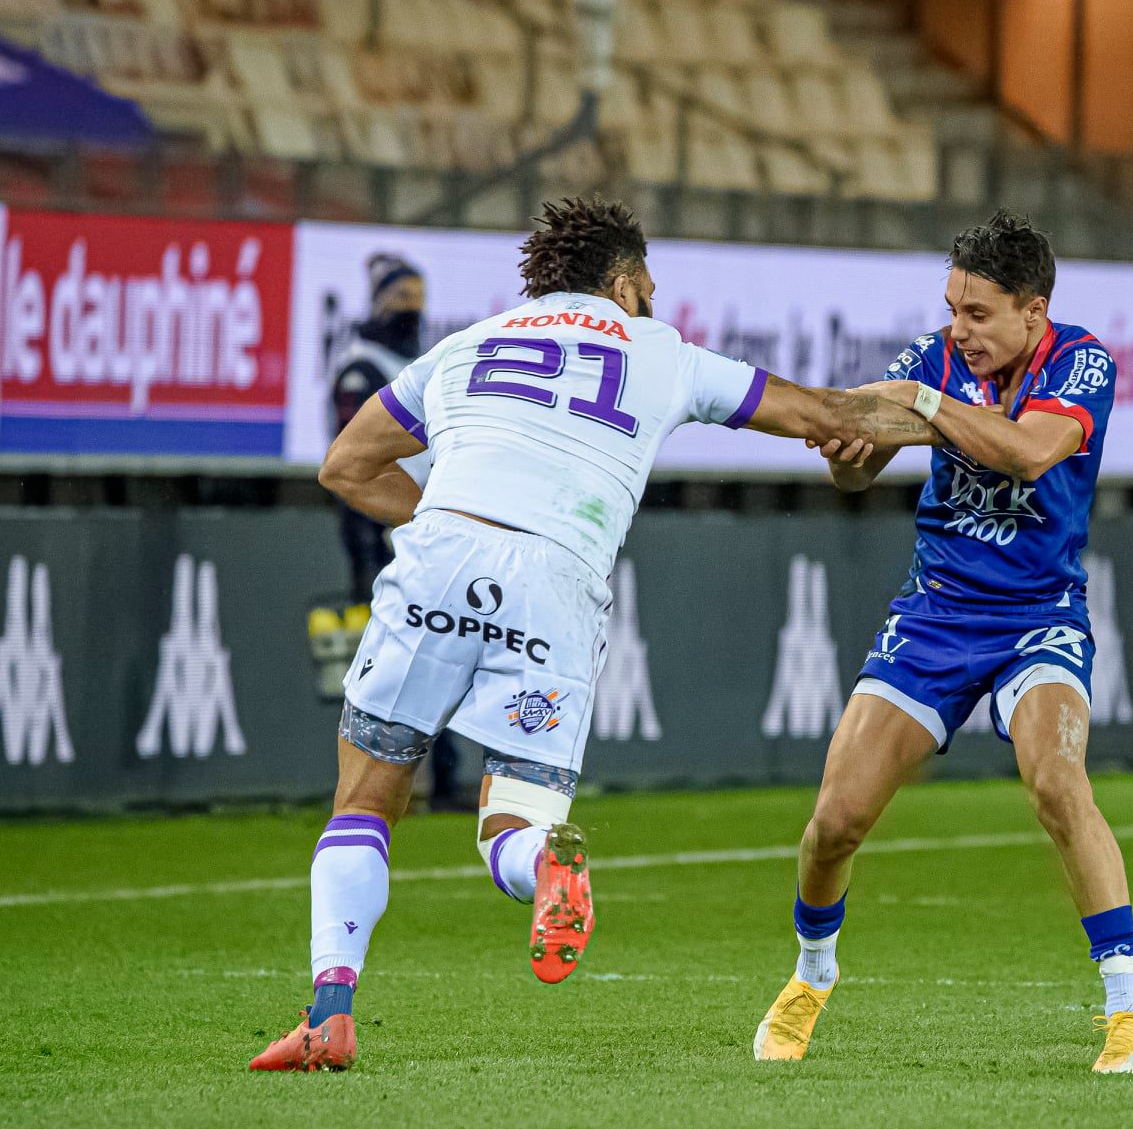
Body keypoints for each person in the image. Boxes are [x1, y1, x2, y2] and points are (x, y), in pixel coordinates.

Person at [250, 196, 940, 1071]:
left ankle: (331, 1014)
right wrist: (965, 425)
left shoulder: (468, 345)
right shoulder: (661, 352)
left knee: (365, 801)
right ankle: (545, 866)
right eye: (647, 287)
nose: (651, 302)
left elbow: (344, 465)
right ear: (622, 283)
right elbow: (827, 418)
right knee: (510, 827)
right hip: (558, 580)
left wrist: (458, 526)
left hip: (440, 553)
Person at [753, 210, 1133, 1074]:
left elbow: (1025, 454)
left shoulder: (1081, 361)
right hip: (937, 612)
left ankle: (1131, 1014)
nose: (959, 329)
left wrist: (924, 406)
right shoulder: (930, 360)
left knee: (1056, 779)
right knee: (834, 821)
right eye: (953, 308)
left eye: (978, 313)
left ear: (1033, 311)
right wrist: (849, 448)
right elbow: (857, 463)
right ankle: (810, 977)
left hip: (1038, 614)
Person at [328, 254, 467, 813]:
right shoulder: (361, 367)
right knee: (388, 663)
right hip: (380, 523)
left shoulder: (423, 363)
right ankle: (373, 783)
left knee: (446, 652)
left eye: (418, 296)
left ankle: (444, 780)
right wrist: (375, 533)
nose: (412, 308)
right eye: (401, 296)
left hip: (429, 526)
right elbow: (350, 460)